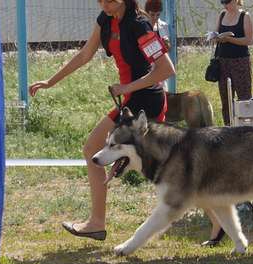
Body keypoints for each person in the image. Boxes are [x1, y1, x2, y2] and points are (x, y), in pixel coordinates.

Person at [29, 0, 175, 240]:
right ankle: (96, 222)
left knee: (164, 165)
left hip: (147, 100)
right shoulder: (105, 20)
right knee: (94, 150)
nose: (105, 5)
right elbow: (85, 54)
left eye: (110, 1)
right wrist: (50, 81)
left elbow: (165, 70)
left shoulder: (140, 26)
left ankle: (211, 203)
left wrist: (127, 86)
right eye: (101, 0)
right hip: (129, 97)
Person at [213, 0, 253, 126]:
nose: (226, 5)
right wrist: (216, 38)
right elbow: (216, 35)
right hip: (223, 61)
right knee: (226, 99)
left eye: (228, 2)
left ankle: (246, 128)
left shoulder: (245, 16)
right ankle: (228, 127)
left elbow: (249, 40)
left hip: (240, 61)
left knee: (244, 97)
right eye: (223, 2)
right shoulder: (222, 15)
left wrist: (229, 39)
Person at [144, 0, 171, 92]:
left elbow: (167, 49)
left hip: (161, 66)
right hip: (146, 68)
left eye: (158, 15)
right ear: (146, 13)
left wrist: (167, 45)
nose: (155, 18)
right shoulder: (141, 27)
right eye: (152, 15)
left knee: (163, 93)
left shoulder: (163, 26)